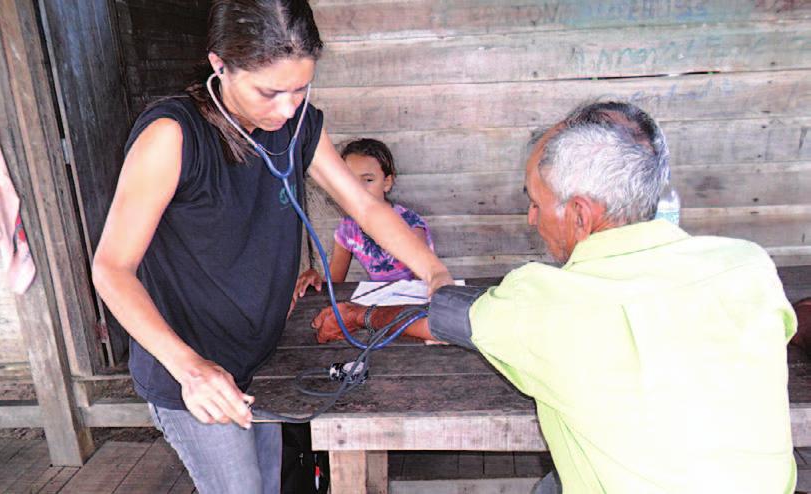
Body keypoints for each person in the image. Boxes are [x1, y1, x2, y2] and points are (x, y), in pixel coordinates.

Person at [312, 101, 798, 493]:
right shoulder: (748, 265)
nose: (531, 218)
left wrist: (361, 315)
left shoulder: (546, 300)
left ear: (581, 215)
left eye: (536, 202)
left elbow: (441, 318)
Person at [91, 1, 451, 492]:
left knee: (271, 483)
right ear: (220, 65)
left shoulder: (297, 124)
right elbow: (111, 267)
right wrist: (190, 367)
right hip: (190, 368)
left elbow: (366, 209)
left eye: (300, 88)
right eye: (269, 91)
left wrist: (435, 275)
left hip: (260, 355)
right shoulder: (172, 136)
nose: (287, 108)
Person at [294, 138, 434, 299]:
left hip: (415, 302)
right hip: (380, 302)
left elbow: (422, 284)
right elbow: (333, 283)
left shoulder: (410, 224)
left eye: (368, 180)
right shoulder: (348, 229)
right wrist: (315, 279)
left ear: (387, 182)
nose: (358, 189)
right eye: (351, 180)